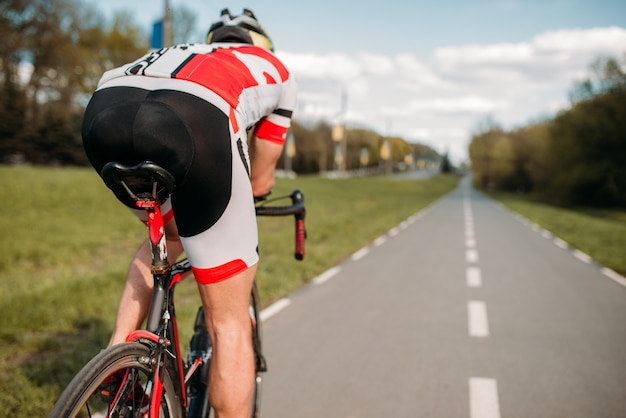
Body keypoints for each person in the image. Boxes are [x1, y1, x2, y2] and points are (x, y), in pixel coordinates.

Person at [81, 8, 297, 418]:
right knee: (229, 323)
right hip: (195, 117)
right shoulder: (276, 68)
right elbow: (262, 178)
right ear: (261, 44)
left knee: (169, 235)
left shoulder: (180, 49)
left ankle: (117, 361)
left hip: (104, 110)